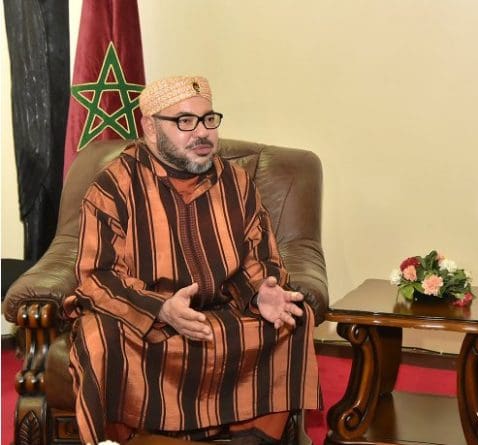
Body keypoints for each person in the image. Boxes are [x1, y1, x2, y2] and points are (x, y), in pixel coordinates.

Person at [64, 75, 321, 445]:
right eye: (185, 122)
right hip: (147, 318)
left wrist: (261, 293)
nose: (202, 133)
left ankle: (254, 439)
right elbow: (97, 274)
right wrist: (161, 309)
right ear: (150, 128)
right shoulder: (114, 185)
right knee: (99, 337)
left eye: (208, 119)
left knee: (291, 320)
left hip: (221, 310)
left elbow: (259, 254)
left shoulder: (236, 182)